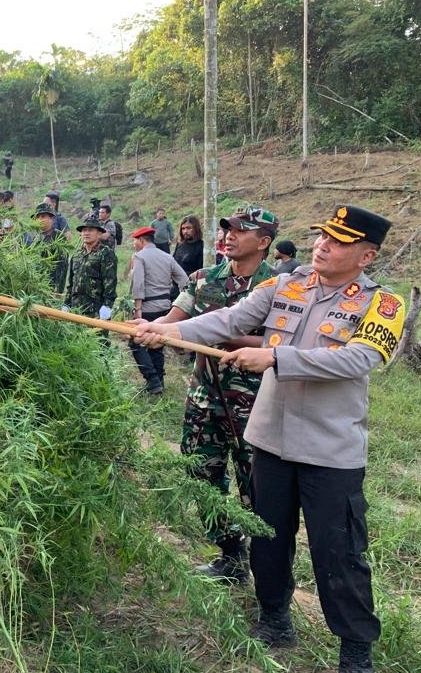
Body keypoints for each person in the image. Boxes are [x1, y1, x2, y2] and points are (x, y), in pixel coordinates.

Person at [133, 205, 405, 673]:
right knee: (267, 536)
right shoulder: (286, 285)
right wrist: (167, 331)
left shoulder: (383, 303)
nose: (324, 246)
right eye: (323, 236)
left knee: (338, 553)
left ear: (366, 255)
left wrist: (275, 356)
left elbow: (357, 359)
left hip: (330, 452)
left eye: (340, 242)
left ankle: (355, 657)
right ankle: (274, 617)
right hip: (270, 441)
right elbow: (228, 320)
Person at [155, 206, 278, 583]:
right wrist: (149, 327)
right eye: (226, 229)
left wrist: (215, 335)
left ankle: (267, 570)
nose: (228, 235)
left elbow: (278, 342)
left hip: (254, 407)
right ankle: (230, 554)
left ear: (264, 242)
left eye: (239, 231)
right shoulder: (204, 279)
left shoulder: (278, 287)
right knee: (200, 475)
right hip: (204, 400)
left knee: (256, 488)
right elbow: (175, 321)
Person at [128, 225, 188, 394]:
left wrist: (137, 309)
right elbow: (183, 279)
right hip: (165, 307)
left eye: (134, 241)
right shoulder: (167, 257)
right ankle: (159, 381)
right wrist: (180, 301)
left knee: (137, 342)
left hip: (147, 307)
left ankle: (152, 380)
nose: (134, 245)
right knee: (157, 344)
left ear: (141, 240)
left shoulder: (139, 257)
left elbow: (138, 284)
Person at [64, 215, 117, 322]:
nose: (86, 233)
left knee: (97, 338)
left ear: (99, 233)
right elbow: (71, 283)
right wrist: (66, 303)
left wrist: (107, 305)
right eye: (84, 230)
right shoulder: (77, 254)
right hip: (76, 309)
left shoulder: (105, 253)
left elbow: (110, 282)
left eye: (91, 230)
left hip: (96, 309)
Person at [33, 201, 69, 294]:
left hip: (51, 288)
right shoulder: (35, 238)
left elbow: (62, 268)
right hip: (36, 285)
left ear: (51, 218)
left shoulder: (59, 237)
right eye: (38, 217)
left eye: (43, 216)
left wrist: (58, 292)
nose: (40, 219)